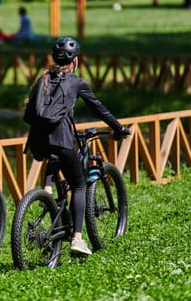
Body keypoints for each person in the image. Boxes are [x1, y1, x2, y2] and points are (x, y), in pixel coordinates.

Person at [24, 37, 130, 255]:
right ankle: (78, 239)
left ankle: (47, 192)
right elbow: (99, 108)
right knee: (79, 185)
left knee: (52, 157)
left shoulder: (42, 79)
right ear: (75, 61)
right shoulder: (75, 82)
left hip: (37, 142)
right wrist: (119, 128)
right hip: (61, 139)